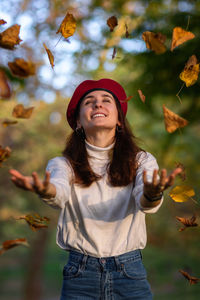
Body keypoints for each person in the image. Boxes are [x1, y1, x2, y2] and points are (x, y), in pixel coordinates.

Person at [9, 78, 182, 300]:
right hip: (80, 274)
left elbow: (144, 202)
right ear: (78, 122)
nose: (98, 104)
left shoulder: (142, 160)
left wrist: (153, 192)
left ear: (120, 119)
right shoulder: (63, 164)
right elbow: (59, 192)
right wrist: (46, 190)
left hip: (129, 272)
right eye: (89, 102)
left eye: (106, 100)